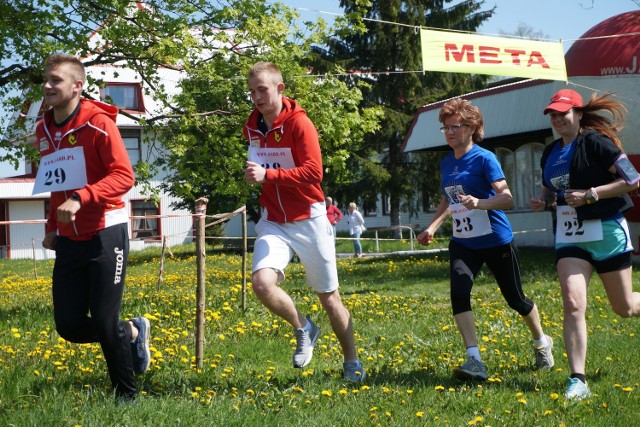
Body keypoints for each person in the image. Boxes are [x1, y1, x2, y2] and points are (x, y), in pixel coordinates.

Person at [36, 54, 150, 400]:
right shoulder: (43, 127)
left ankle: (127, 397)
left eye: (56, 80)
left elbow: (123, 176)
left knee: (102, 321)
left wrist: (83, 198)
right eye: (46, 80)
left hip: (106, 231)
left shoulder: (99, 123)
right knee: (68, 325)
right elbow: (56, 180)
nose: (47, 86)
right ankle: (132, 331)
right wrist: (53, 223)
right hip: (68, 236)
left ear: (77, 86)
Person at [243, 61, 365, 381]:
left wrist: (268, 174)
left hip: (309, 218)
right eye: (252, 91)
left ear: (280, 89)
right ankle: (304, 327)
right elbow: (259, 165)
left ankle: (351, 361)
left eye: (263, 90)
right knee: (261, 283)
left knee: (329, 297)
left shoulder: (300, 124)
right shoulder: (252, 127)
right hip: (273, 220)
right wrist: (256, 174)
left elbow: (314, 173)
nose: (257, 96)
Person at [417, 98, 554, 382]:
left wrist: (479, 202)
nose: (449, 132)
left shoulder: (485, 158)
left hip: (495, 240)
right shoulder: (446, 162)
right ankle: (474, 359)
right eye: (445, 128)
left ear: (471, 127)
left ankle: (542, 341)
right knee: (459, 293)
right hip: (464, 243)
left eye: (455, 126)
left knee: (515, 299)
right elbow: (448, 198)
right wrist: (432, 226)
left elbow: (506, 197)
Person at [529, 89, 640, 400]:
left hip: (606, 232)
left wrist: (592, 193)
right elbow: (552, 189)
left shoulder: (596, 142)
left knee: (625, 307)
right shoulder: (550, 152)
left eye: (562, 113)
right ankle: (578, 380)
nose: (557, 119)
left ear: (577, 113)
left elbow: (633, 180)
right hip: (570, 237)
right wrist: (544, 200)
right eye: (552, 114)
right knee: (573, 303)